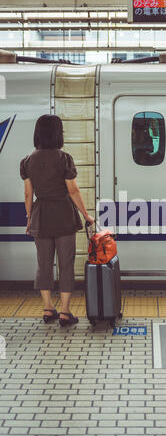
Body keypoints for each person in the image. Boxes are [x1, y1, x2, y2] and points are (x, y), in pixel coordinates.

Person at [20, 114, 94, 326]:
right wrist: (86, 214)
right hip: (63, 216)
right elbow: (73, 190)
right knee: (66, 265)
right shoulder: (64, 158)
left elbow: (28, 194)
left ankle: (47, 308)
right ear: (57, 134)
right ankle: (65, 312)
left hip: (40, 216)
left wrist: (29, 219)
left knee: (43, 265)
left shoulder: (27, 161)